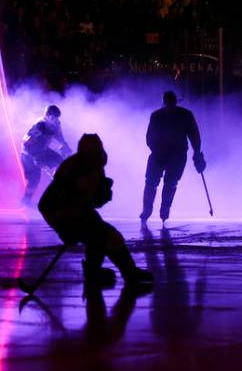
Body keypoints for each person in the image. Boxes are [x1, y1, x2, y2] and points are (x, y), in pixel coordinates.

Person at [39, 133, 152, 288]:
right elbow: (46, 205)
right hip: (69, 216)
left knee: (107, 238)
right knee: (101, 237)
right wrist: (62, 229)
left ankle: (108, 272)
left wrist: (101, 195)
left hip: (84, 212)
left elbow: (93, 198)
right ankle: (112, 272)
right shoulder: (69, 171)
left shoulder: (96, 166)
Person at [141, 91, 205, 224]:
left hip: (162, 154)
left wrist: (156, 149)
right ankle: (163, 212)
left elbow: (149, 138)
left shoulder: (157, 115)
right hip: (176, 155)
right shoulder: (185, 115)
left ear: (164, 101)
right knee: (169, 183)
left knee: (152, 183)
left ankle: (148, 211)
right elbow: (195, 136)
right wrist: (196, 153)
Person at [20, 104, 72, 206]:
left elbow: (59, 136)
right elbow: (26, 143)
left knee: (61, 163)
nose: (55, 120)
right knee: (35, 179)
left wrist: (65, 145)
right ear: (47, 115)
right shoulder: (40, 125)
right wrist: (35, 157)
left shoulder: (56, 123)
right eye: (53, 117)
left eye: (57, 117)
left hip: (43, 150)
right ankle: (25, 202)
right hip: (29, 154)